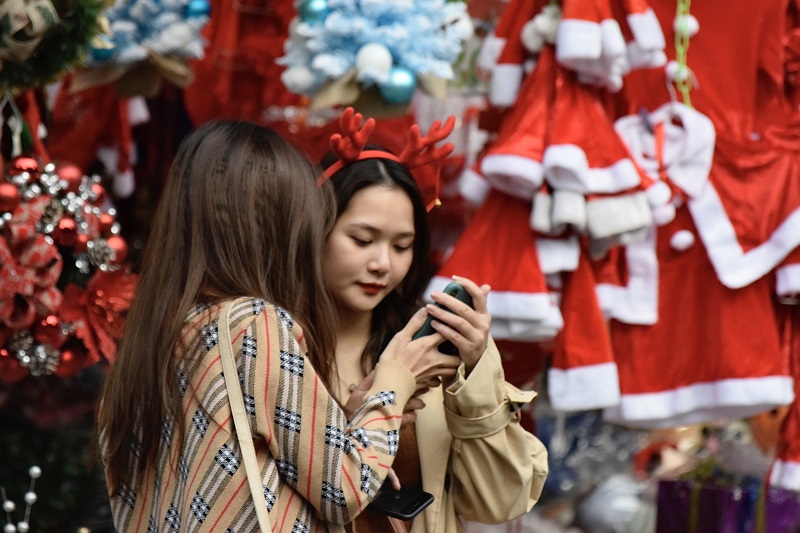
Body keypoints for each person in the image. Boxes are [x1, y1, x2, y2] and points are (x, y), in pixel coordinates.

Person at [97, 119, 462, 532]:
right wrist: (394, 382)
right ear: (269, 224)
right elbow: (346, 488)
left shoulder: (161, 329)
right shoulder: (255, 323)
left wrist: (353, 414)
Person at [318, 109, 549, 533]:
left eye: (402, 245)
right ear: (315, 229)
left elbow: (500, 501)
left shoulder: (432, 354)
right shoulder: (276, 341)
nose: (382, 264)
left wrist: (478, 369)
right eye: (362, 240)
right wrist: (364, 414)